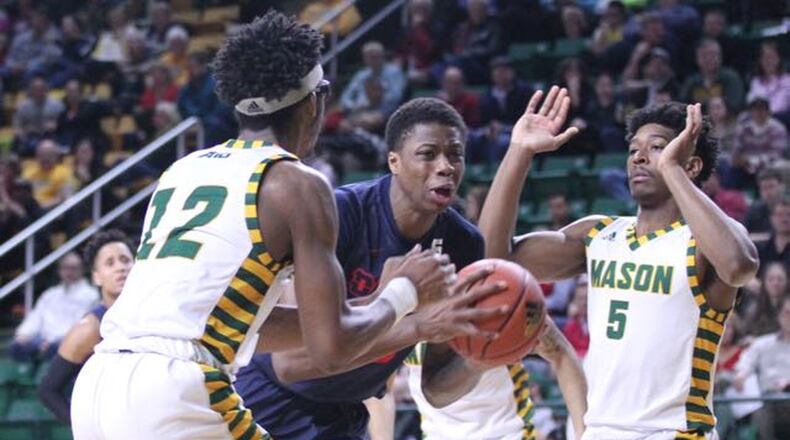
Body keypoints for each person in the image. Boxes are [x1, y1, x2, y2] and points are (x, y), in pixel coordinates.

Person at [70, 12, 460, 439]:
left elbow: (252, 323)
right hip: (176, 389)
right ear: (315, 101)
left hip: (99, 383)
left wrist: (371, 306)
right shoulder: (297, 184)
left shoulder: (183, 169)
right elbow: (331, 351)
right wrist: (404, 293)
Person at [479, 87, 759, 439]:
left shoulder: (703, 242)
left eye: (656, 147)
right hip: (601, 430)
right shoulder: (599, 234)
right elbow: (493, 259)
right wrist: (519, 152)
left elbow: (738, 266)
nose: (639, 158)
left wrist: (672, 170)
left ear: (692, 164)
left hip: (673, 432)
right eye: (633, 150)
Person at [235, 97, 509, 439]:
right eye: (428, 154)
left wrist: (484, 357)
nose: (446, 166)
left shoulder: (463, 244)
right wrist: (417, 324)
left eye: (455, 154)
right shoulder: (339, 212)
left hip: (346, 413)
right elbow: (290, 364)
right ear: (393, 161)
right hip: (268, 399)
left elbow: (436, 389)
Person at [38, 230, 134, 424]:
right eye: (110, 263)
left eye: (125, 260)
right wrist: (85, 429)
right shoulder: (90, 328)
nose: (120, 267)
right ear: (97, 277)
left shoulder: (154, 314)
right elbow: (48, 390)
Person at [10, 252, 97, 364]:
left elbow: (80, 326)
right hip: (42, 341)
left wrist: (51, 342)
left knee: (58, 347)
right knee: (16, 345)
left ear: (82, 270)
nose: (69, 272)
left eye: (73, 268)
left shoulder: (90, 295)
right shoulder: (50, 294)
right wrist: (23, 334)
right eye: (65, 268)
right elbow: (36, 317)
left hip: (65, 341)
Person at [733, 295, 790, 440]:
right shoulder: (763, 343)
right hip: (769, 400)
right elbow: (746, 361)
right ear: (779, 315)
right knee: (761, 413)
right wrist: (742, 374)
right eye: (787, 313)